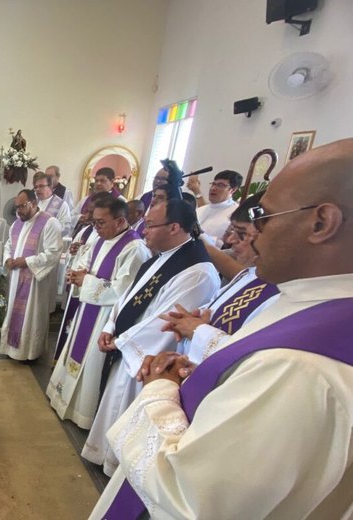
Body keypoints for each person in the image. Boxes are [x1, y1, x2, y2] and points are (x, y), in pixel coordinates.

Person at [91, 138, 353, 520]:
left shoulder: (301, 364)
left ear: (321, 222)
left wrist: (160, 389)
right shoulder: (308, 307)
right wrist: (214, 378)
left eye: (264, 216)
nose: (245, 237)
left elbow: (191, 497)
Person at [81, 199, 219, 476]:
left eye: (150, 225)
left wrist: (121, 341)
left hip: (148, 361)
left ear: (175, 227)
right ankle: (106, 455)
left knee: (128, 415)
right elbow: (127, 297)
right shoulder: (160, 257)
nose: (143, 230)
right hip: (127, 347)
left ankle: (121, 468)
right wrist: (110, 326)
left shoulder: (198, 272)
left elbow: (166, 323)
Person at [47, 198, 150, 428]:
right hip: (87, 309)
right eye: (94, 223)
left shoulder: (134, 249)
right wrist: (77, 274)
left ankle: (82, 413)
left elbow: (122, 292)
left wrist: (87, 280)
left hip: (104, 318)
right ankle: (63, 399)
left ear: (121, 221)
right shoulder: (102, 239)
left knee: (91, 364)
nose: (96, 228)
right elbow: (86, 264)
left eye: (101, 223)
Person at [165, 192, 279, 365]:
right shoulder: (251, 275)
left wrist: (198, 331)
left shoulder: (284, 294)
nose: (231, 240)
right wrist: (193, 320)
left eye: (241, 233)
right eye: (232, 231)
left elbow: (255, 361)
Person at [0, 189, 63, 361]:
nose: (18, 211)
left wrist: (27, 262)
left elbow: (54, 252)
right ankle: (12, 349)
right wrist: (8, 260)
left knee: (31, 316)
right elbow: (8, 245)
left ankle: (30, 353)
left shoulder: (50, 223)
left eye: (22, 206)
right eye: (17, 207)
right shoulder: (17, 224)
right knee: (14, 311)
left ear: (34, 203)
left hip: (35, 282)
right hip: (16, 279)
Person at [53, 192, 112, 360]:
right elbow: (75, 254)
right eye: (89, 212)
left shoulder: (108, 237)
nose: (88, 217)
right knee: (71, 326)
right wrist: (72, 251)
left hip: (91, 292)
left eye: (93, 214)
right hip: (79, 288)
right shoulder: (86, 231)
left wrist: (84, 278)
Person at [187, 169, 242, 247]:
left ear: (233, 190)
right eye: (213, 184)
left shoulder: (236, 214)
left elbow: (226, 246)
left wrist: (200, 235)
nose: (213, 188)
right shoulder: (200, 210)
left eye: (220, 185)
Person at [33, 171, 73, 236]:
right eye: (36, 187)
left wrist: (47, 230)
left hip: (50, 242)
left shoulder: (61, 205)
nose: (37, 189)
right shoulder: (32, 203)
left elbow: (65, 228)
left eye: (41, 186)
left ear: (50, 187)